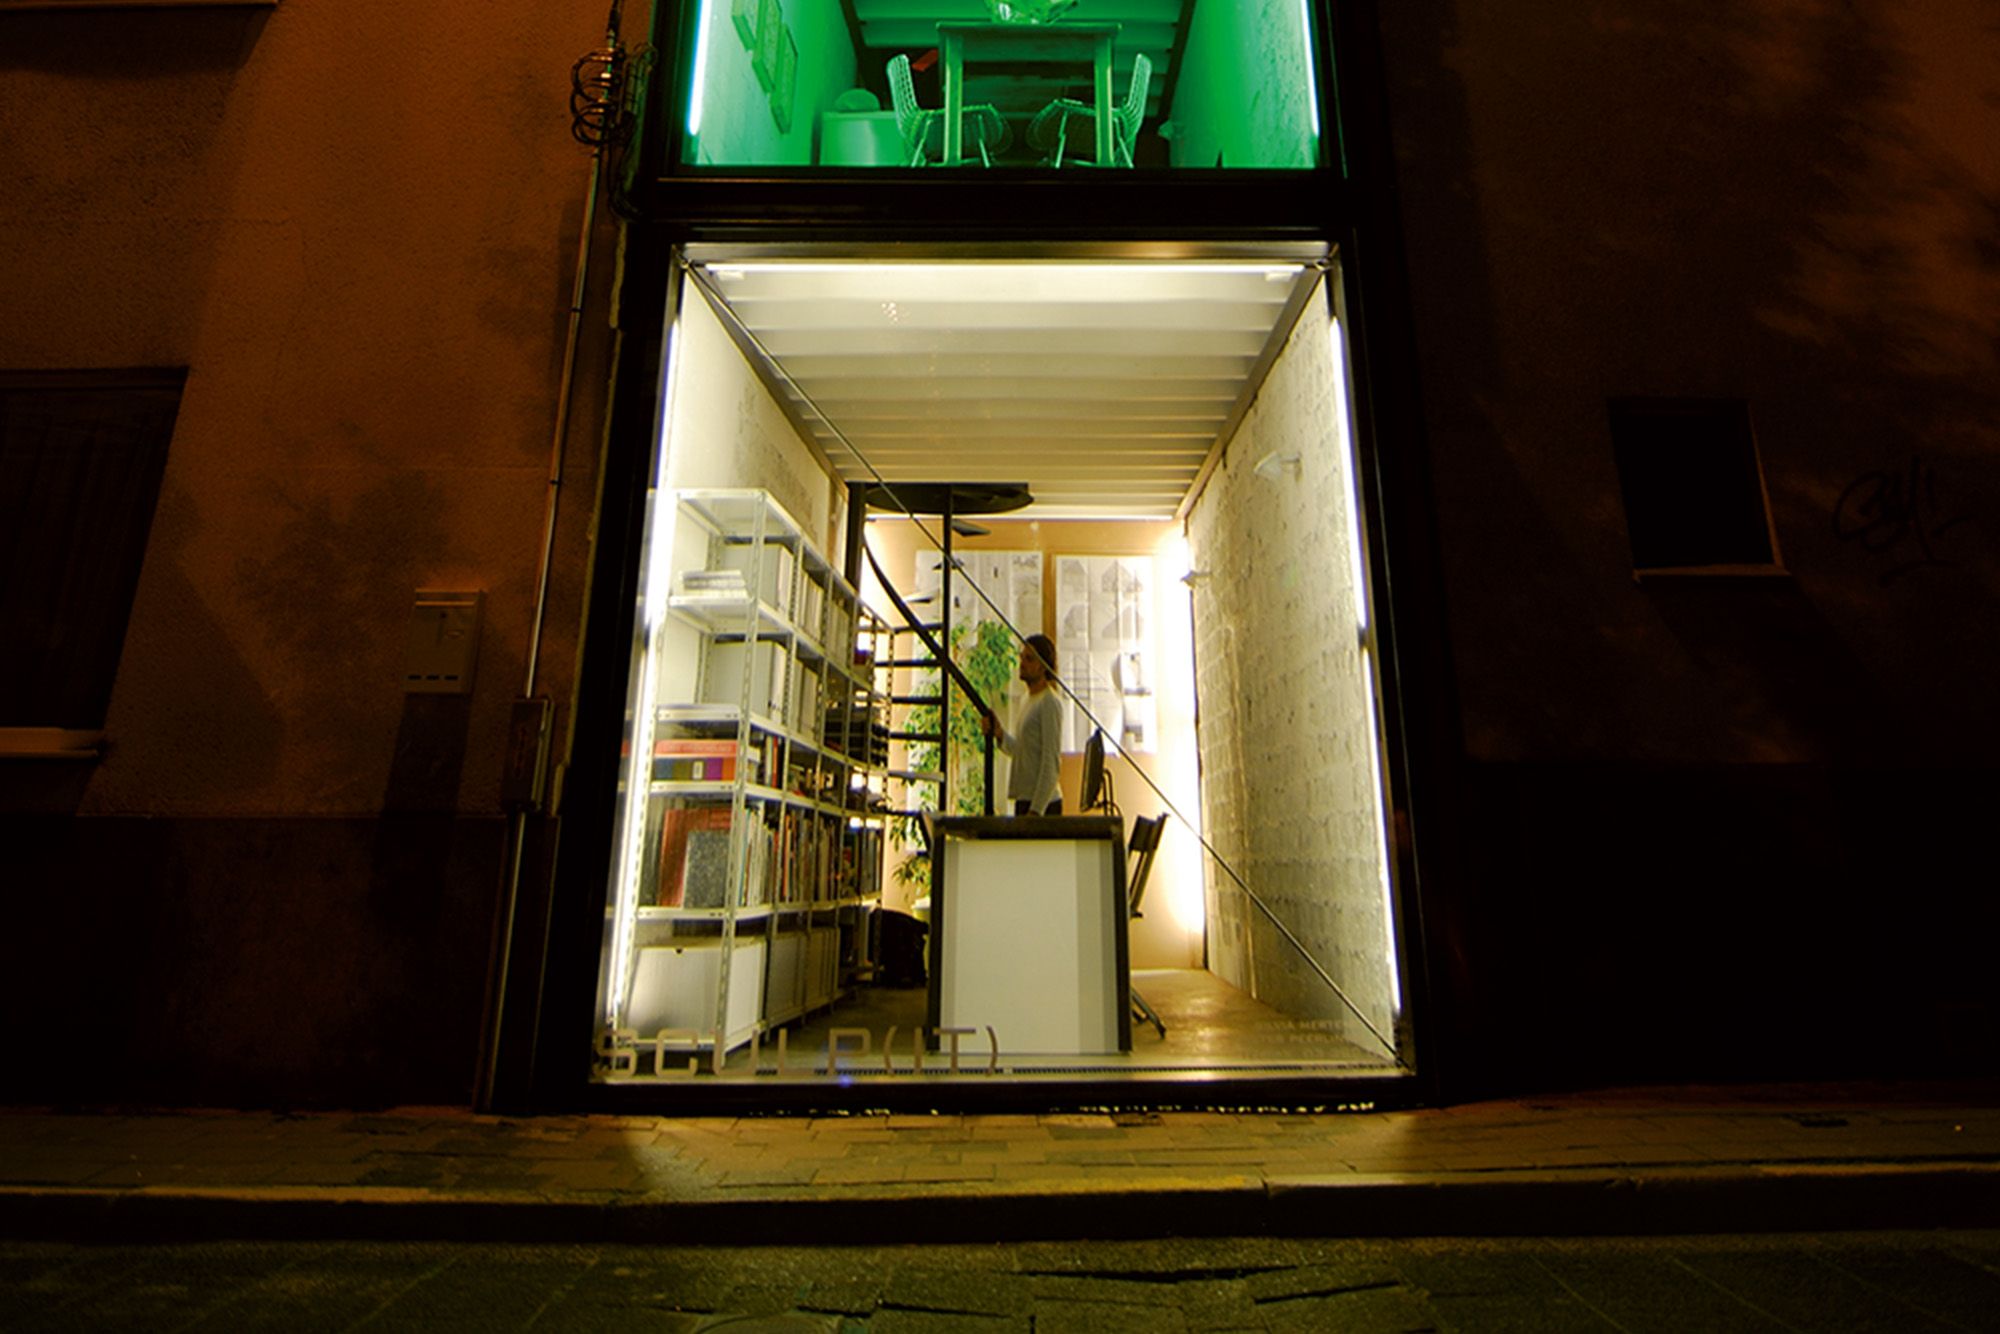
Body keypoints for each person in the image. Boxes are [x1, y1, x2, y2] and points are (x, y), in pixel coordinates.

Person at [981, 633, 1063, 815]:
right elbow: (1023, 751)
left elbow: (1051, 762)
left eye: (1029, 659)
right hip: (1025, 799)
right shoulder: (1027, 699)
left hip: (1043, 804)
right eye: (1022, 657)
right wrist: (1000, 734)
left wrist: (1036, 811)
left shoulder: (1049, 702)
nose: (1022, 664)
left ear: (1043, 666)